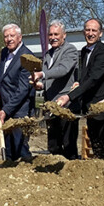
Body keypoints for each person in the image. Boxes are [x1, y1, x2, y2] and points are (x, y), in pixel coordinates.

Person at [56, 19, 104, 161]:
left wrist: (69, 97)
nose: (90, 34)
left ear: (100, 33)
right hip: (91, 108)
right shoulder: (85, 51)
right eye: (88, 30)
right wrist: (78, 82)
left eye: (94, 31)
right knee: (96, 147)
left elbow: (94, 79)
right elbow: (87, 76)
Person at [0, 24, 35, 162]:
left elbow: (23, 90)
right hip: (5, 108)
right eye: (6, 36)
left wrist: (6, 110)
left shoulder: (27, 57)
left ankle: (28, 173)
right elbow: (0, 76)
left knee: (20, 147)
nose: (9, 39)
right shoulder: (4, 53)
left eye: (12, 36)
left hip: (20, 110)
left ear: (20, 37)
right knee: (8, 148)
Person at [34, 20, 79, 159]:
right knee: (53, 144)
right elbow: (47, 77)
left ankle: (70, 173)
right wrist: (40, 83)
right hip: (50, 104)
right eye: (50, 34)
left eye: (56, 34)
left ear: (64, 35)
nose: (53, 37)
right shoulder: (48, 54)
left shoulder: (70, 50)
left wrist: (43, 74)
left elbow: (63, 70)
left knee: (68, 143)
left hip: (66, 104)